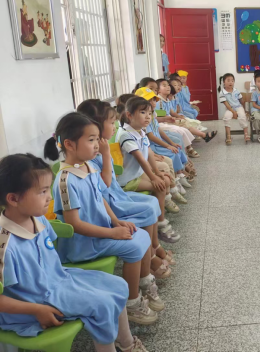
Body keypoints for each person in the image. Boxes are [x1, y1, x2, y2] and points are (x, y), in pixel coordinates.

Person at [0, 154, 148, 352]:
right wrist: (37, 310)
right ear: (13, 199)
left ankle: (126, 342)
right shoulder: (4, 244)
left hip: (59, 279)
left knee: (118, 285)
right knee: (102, 304)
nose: (50, 197)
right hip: (34, 302)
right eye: (42, 191)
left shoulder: (37, 219)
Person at [45, 113, 159, 325]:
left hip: (102, 231)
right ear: (69, 144)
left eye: (97, 139)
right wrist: (112, 233)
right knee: (134, 246)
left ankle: (143, 283)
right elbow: (74, 224)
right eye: (91, 140)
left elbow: (100, 198)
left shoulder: (88, 166)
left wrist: (116, 221)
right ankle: (132, 302)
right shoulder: (65, 181)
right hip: (83, 244)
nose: (97, 144)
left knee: (141, 235)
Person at [77, 99, 175, 281]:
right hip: (111, 202)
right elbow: (105, 184)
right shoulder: (91, 156)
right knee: (148, 208)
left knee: (152, 202)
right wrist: (106, 154)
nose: (115, 126)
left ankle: (153, 248)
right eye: (111, 122)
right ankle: (151, 257)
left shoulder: (98, 149)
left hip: (116, 196)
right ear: (96, 126)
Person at [116, 97, 182, 244]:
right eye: (143, 112)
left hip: (137, 175)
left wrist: (157, 173)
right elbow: (140, 159)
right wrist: (153, 177)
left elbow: (149, 153)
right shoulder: (126, 134)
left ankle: (159, 218)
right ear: (129, 115)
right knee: (161, 185)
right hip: (127, 181)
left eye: (150, 113)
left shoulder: (140, 131)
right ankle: (161, 225)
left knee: (165, 179)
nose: (148, 116)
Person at [134, 88, 191, 191]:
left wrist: (171, 143)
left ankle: (180, 175)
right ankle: (176, 180)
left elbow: (159, 130)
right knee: (172, 153)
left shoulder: (152, 114)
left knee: (177, 149)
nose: (153, 103)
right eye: (149, 100)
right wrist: (168, 146)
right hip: (153, 146)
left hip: (158, 143)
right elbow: (151, 137)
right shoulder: (144, 119)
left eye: (154, 100)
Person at [219, 73, 249, 145]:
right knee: (226, 117)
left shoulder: (236, 91)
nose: (230, 82)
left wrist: (244, 110)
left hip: (239, 107)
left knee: (242, 116)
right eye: (228, 80)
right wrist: (233, 112)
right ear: (224, 82)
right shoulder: (222, 92)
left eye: (232, 81)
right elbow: (226, 104)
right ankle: (228, 136)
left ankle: (246, 134)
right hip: (229, 109)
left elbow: (241, 101)